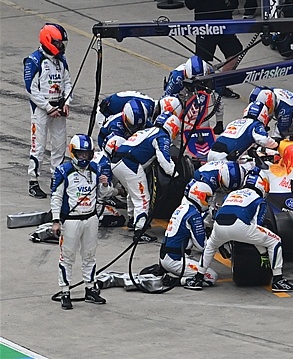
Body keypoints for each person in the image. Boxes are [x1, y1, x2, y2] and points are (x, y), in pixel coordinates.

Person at [184, 170, 293, 292]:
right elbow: (256, 225)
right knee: (275, 241)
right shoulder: (259, 200)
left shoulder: (231, 194)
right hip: (239, 226)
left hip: (219, 225)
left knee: (210, 247)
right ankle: (278, 280)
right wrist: (262, 252)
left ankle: (198, 278)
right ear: (262, 185)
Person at [51, 134, 117, 310]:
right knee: (67, 257)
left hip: (91, 218)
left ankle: (90, 288)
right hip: (71, 220)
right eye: (80, 154)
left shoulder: (95, 169)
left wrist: (105, 185)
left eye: (86, 154)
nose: (83, 157)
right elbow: (56, 197)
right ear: (73, 152)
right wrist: (56, 220)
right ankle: (65, 292)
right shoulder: (63, 171)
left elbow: (103, 195)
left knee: (89, 256)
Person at [111, 111, 182, 242]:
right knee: (142, 197)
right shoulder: (162, 136)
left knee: (132, 192)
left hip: (116, 162)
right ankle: (140, 231)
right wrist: (176, 174)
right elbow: (164, 160)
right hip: (130, 164)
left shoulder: (148, 130)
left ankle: (133, 219)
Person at [24, 23, 72, 199]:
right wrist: (48, 107)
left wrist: (67, 102)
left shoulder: (61, 60)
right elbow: (31, 90)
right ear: (48, 40)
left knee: (59, 146)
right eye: (58, 43)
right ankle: (33, 181)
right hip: (41, 110)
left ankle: (56, 180)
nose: (61, 47)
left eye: (62, 43)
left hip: (59, 107)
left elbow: (67, 82)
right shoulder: (34, 61)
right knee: (38, 146)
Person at [184, 0, 243, 90]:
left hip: (224, 25)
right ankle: (204, 86)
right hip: (205, 26)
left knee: (236, 52)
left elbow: (233, 3)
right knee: (202, 61)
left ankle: (221, 83)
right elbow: (189, 4)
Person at [160, 181, 219, 287]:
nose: (208, 202)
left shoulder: (183, 208)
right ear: (199, 196)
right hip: (175, 259)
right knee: (211, 276)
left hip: (168, 256)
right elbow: (203, 246)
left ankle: (166, 270)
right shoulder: (193, 215)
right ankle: (175, 281)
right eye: (207, 198)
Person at [164, 55, 225, 135]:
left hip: (200, 98)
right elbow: (167, 100)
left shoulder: (209, 73)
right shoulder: (177, 78)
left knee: (203, 129)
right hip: (182, 96)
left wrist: (219, 121)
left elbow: (218, 95)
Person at [207, 101, 279, 162]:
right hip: (225, 158)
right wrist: (276, 145)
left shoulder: (234, 122)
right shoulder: (255, 125)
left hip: (211, 152)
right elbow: (264, 140)